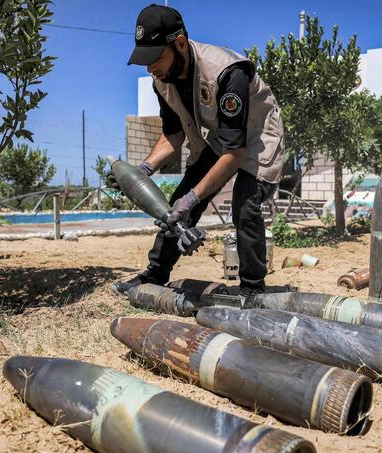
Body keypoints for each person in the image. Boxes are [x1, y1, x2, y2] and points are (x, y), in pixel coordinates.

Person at [110, 4, 284, 306]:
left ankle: (253, 289)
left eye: (155, 58)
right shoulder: (162, 79)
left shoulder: (229, 73)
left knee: (245, 204)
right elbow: (173, 134)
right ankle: (154, 275)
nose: (150, 68)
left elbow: (235, 152)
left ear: (179, 44)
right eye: (145, 60)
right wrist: (144, 170)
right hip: (222, 137)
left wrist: (194, 198)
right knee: (176, 206)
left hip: (258, 137)